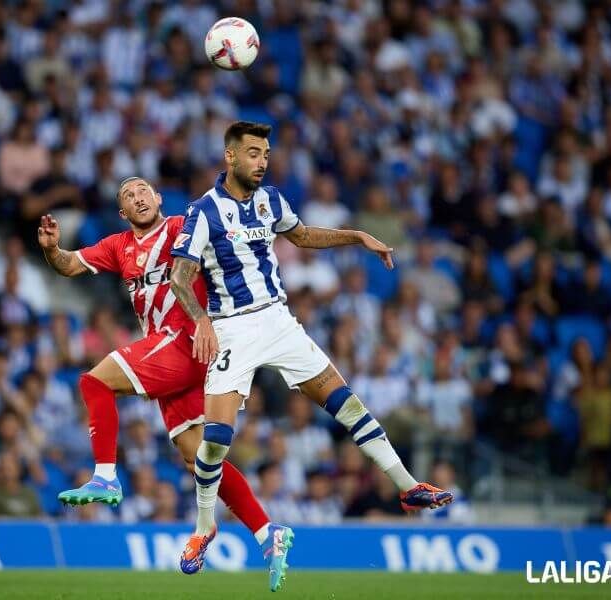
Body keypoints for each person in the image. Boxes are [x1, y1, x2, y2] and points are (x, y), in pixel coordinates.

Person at [169, 121, 453, 585]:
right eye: (253, 153)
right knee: (216, 439)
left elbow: (302, 236)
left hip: (279, 322)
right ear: (230, 157)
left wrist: (357, 236)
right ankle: (204, 528)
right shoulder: (203, 211)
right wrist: (200, 318)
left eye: (266, 154)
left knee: (348, 404)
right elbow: (180, 277)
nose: (262, 162)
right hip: (231, 328)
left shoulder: (270, 199)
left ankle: (408, 487)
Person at [37, 177, 285, 588]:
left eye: (143, 191)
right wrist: (51, 250)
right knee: (200, 460)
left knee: (94, 382)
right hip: (169, 353)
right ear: (122, 212)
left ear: (157, 198)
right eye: (128, 195)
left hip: (187, 340)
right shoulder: (118, 246)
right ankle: (266, 532)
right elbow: (69, 265)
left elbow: (229, 231)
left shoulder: (182, 227)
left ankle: (105, 474)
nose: (138, 198)